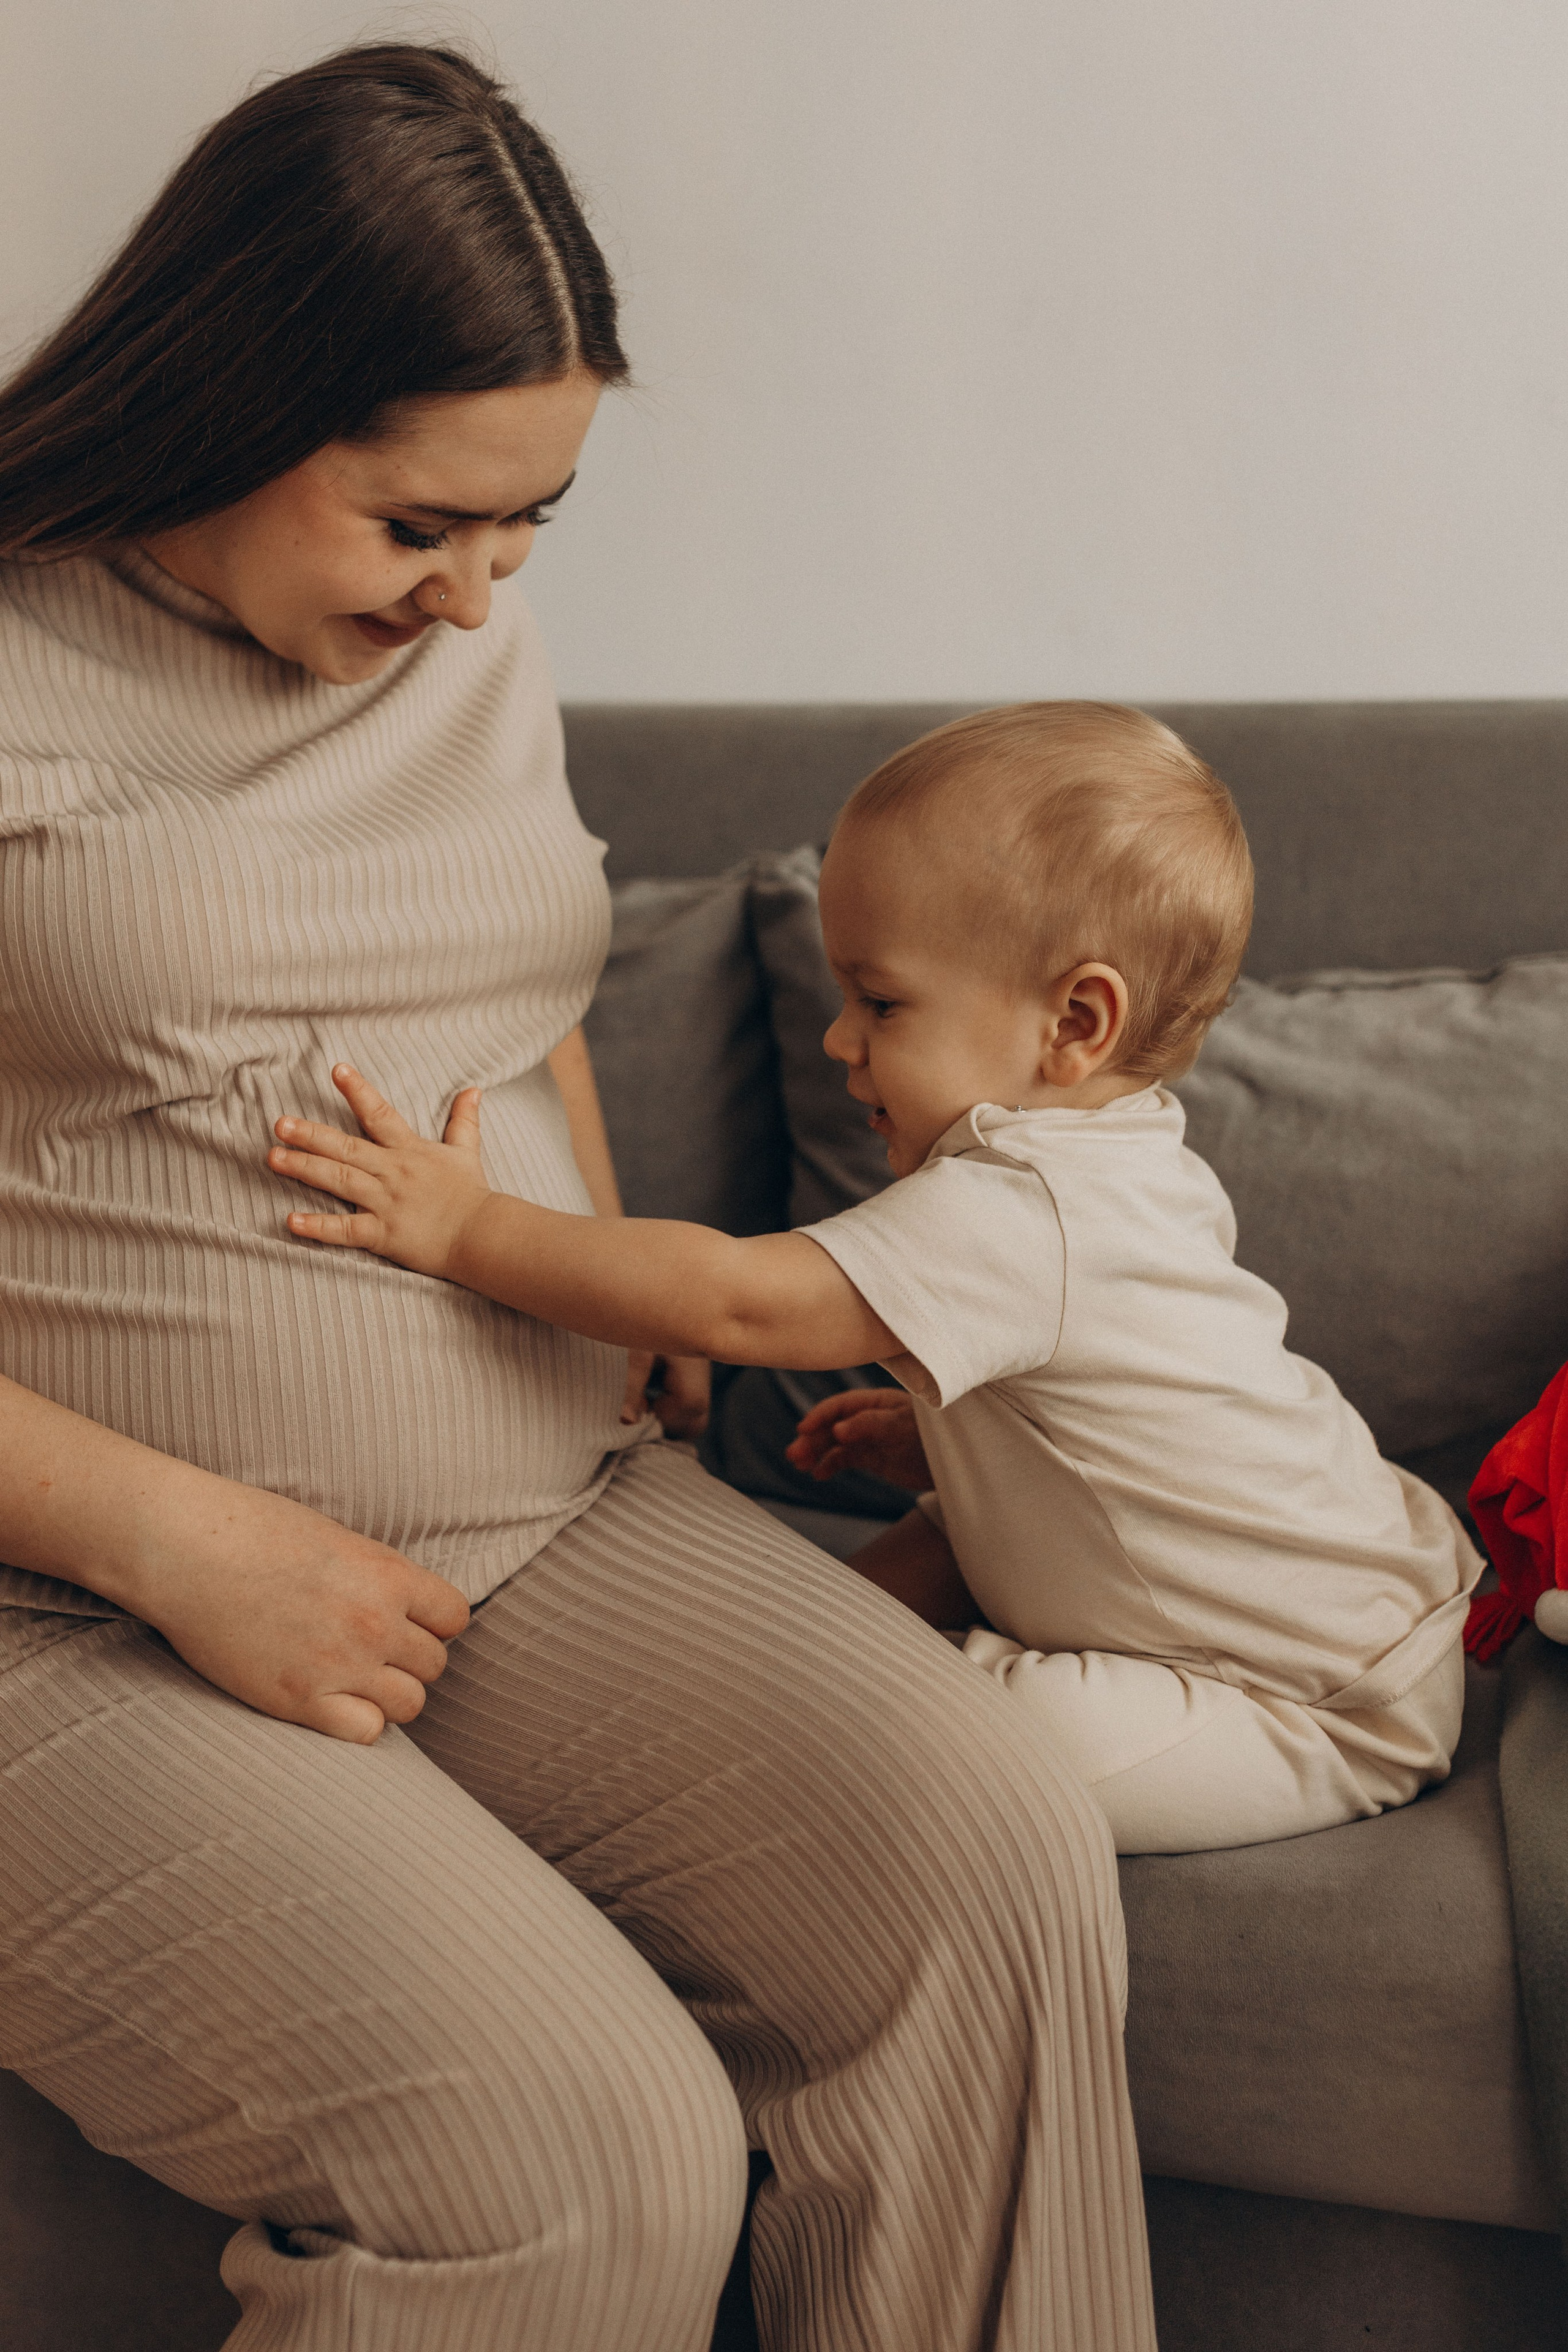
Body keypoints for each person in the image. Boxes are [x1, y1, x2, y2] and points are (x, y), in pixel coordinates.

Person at [0, 44, 1156, 2352]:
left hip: (541, 1515)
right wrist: (185, 1540)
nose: (473, 593)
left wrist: (618, 1301)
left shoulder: (463, 639)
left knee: (994, 1860)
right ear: (223, 400)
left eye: (527, 529)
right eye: (417, 522)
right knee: (577, 2162)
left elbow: (505, 982)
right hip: (73, 1595)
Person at [269, 701, 1483, 1858]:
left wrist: (468, 1228)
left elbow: (735, 1299)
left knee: (939, 1757)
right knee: (915, 1561)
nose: (837, 1041)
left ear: (1075, 1022)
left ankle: (788, 1703)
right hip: (1338, 1593)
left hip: (1305, 1695)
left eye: (880, 1000)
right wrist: (960, 1440)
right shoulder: (1110, 1157)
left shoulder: (1022, 1206)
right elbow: (1127, 1413)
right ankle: (798, 1657)